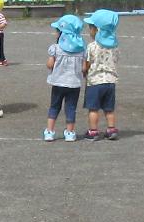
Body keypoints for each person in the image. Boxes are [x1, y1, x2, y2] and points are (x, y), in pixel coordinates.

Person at [43, 14, 86, 143]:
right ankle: (70, 132)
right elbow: (84, 68)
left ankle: (50, 131)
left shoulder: (55, 48)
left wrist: (52, 64)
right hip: (74, 84)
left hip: (58, 83)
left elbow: (50, 64)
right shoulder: (82, 50)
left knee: (54, 106)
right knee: (71, 108)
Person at [82, 8, 120, 141]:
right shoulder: (115, 46)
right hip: (110, 81)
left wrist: (84, 71)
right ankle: (111, 129)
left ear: (97, 30)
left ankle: (93, 131)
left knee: (93, 109)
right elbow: (116, 60)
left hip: (95, 82)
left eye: (91, 28)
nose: (89, 30)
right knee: (109, 109)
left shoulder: (92, 46)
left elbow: (87, 63)